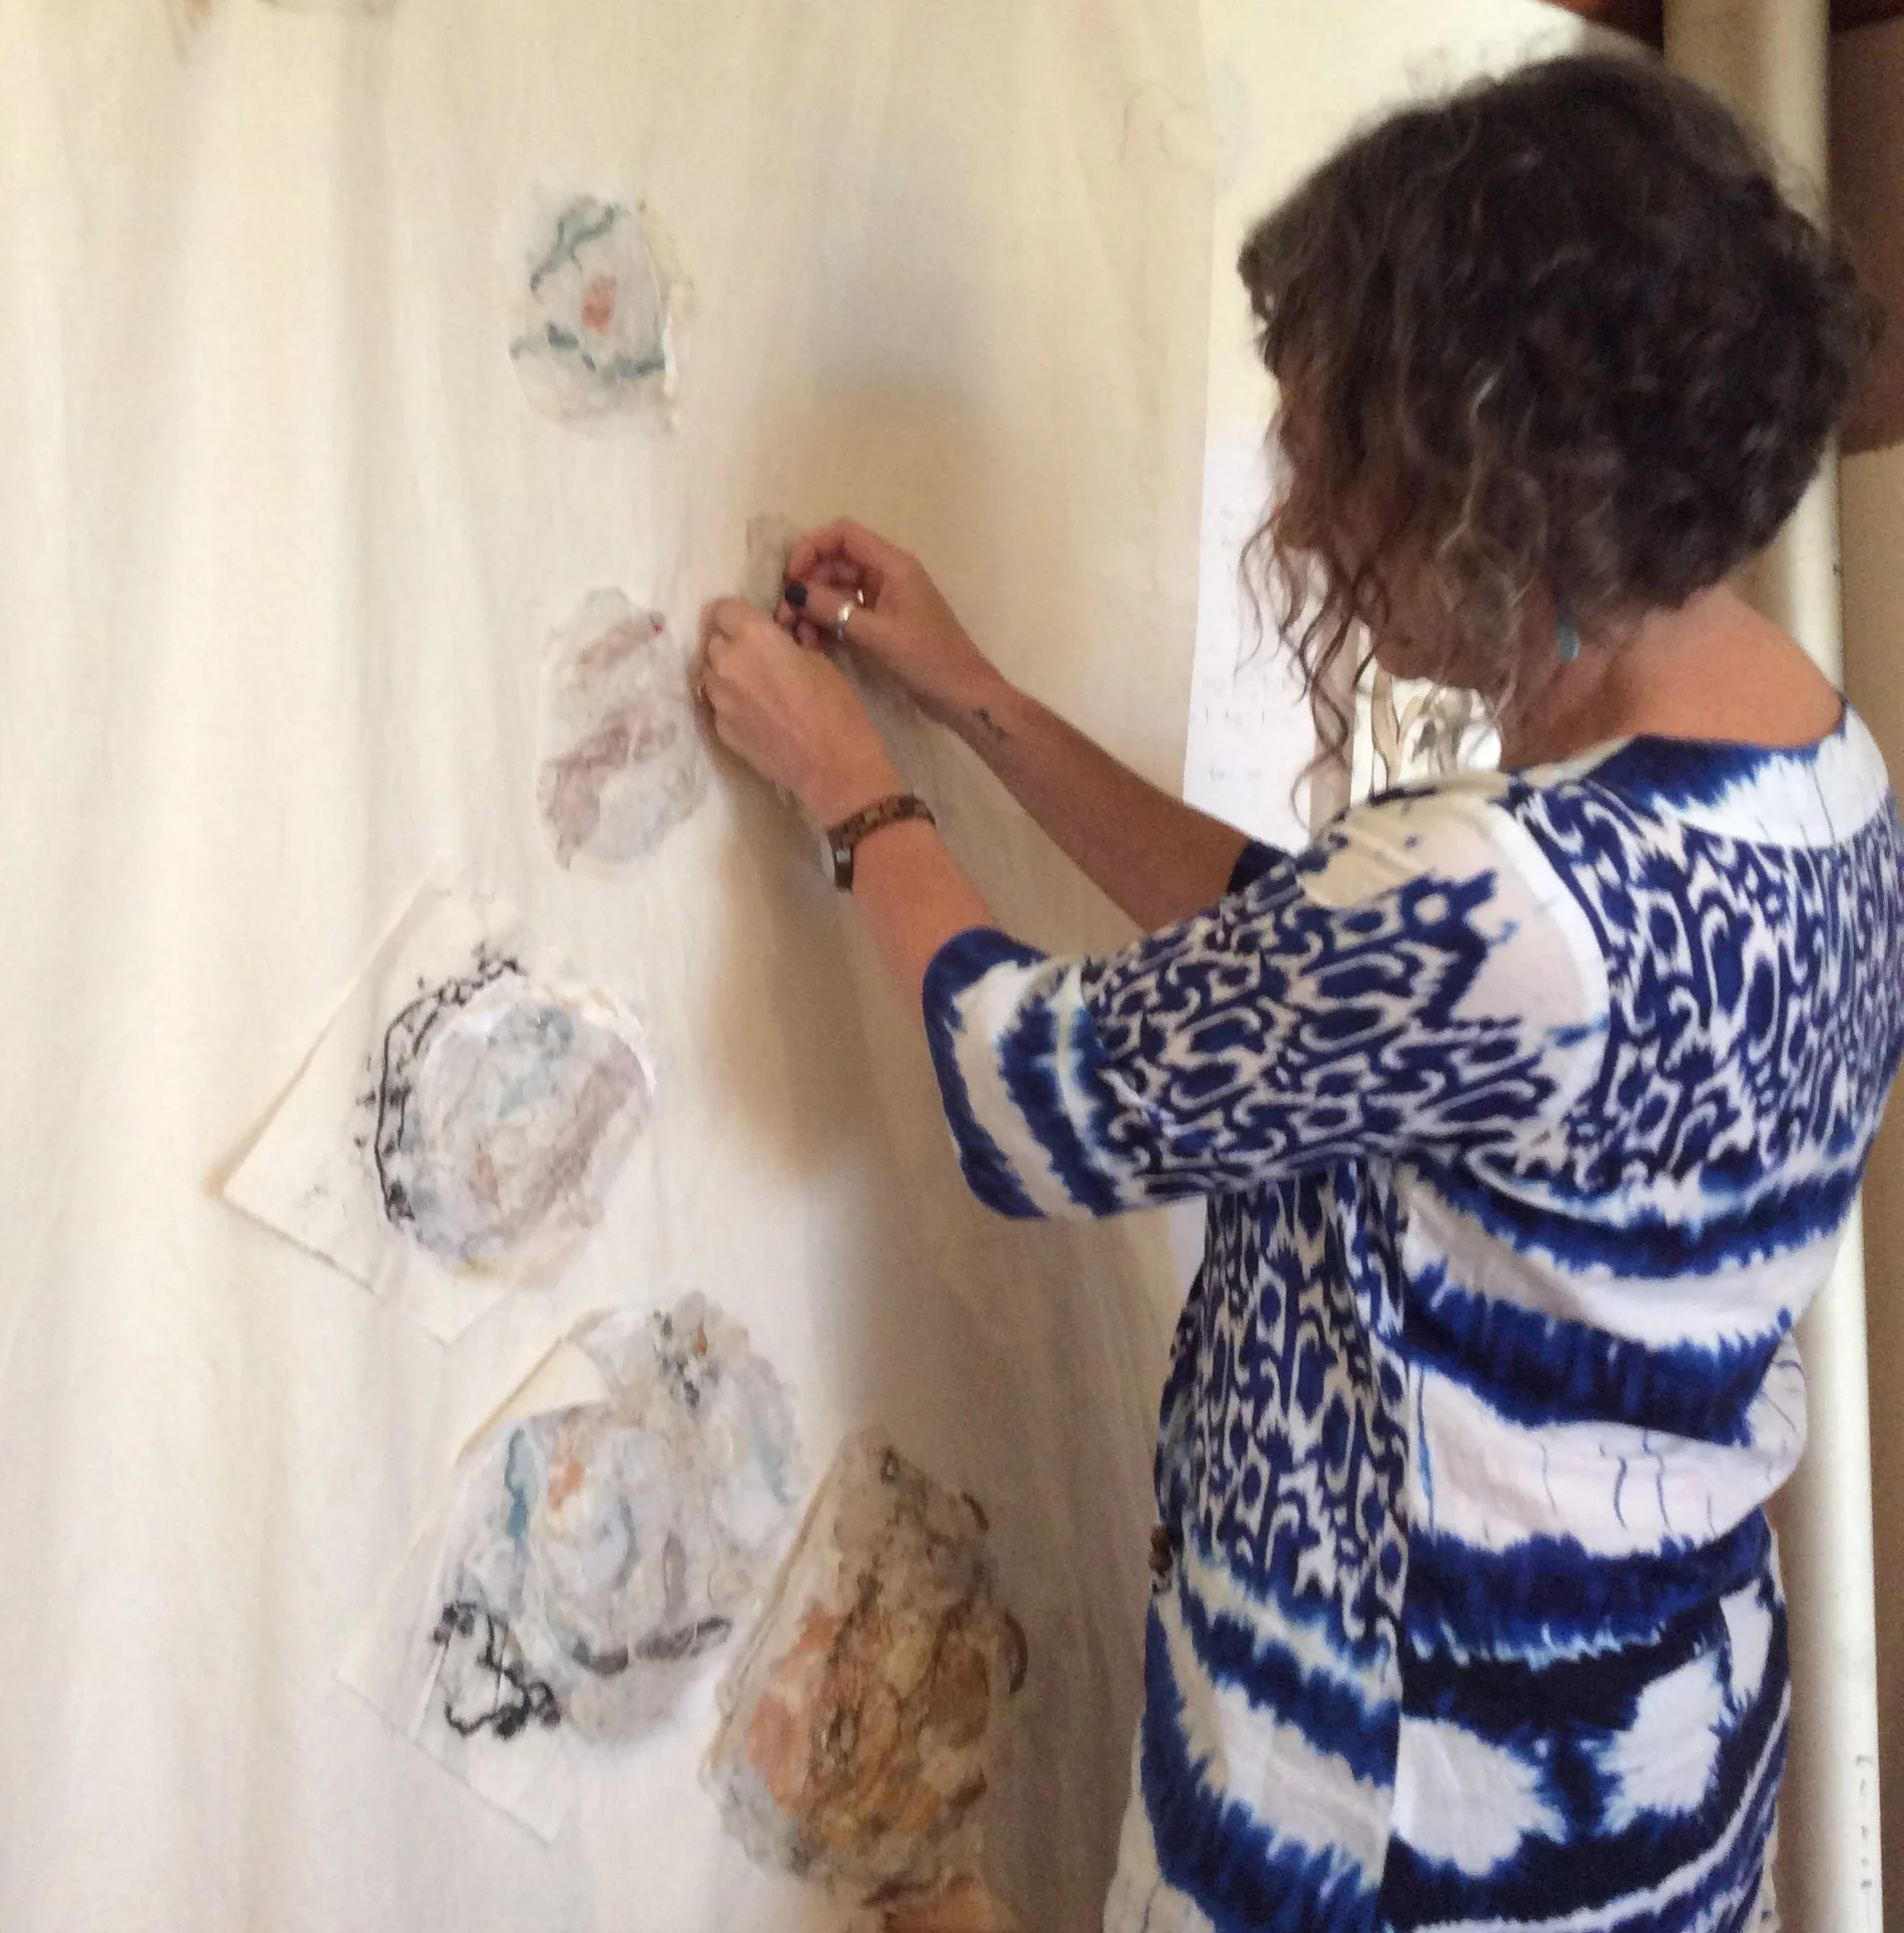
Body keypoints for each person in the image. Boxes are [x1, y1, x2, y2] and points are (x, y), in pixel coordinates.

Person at [694, 54, 1902, 1933]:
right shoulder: (1811, 760)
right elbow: (1318, 971)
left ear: (1500, 462)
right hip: (1647, 1750)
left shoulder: (1507, 886)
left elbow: (1034, 1093)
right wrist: (984, 698)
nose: (1315, 515)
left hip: (1407, 1805)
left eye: (1341, 449)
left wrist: (845, 784)